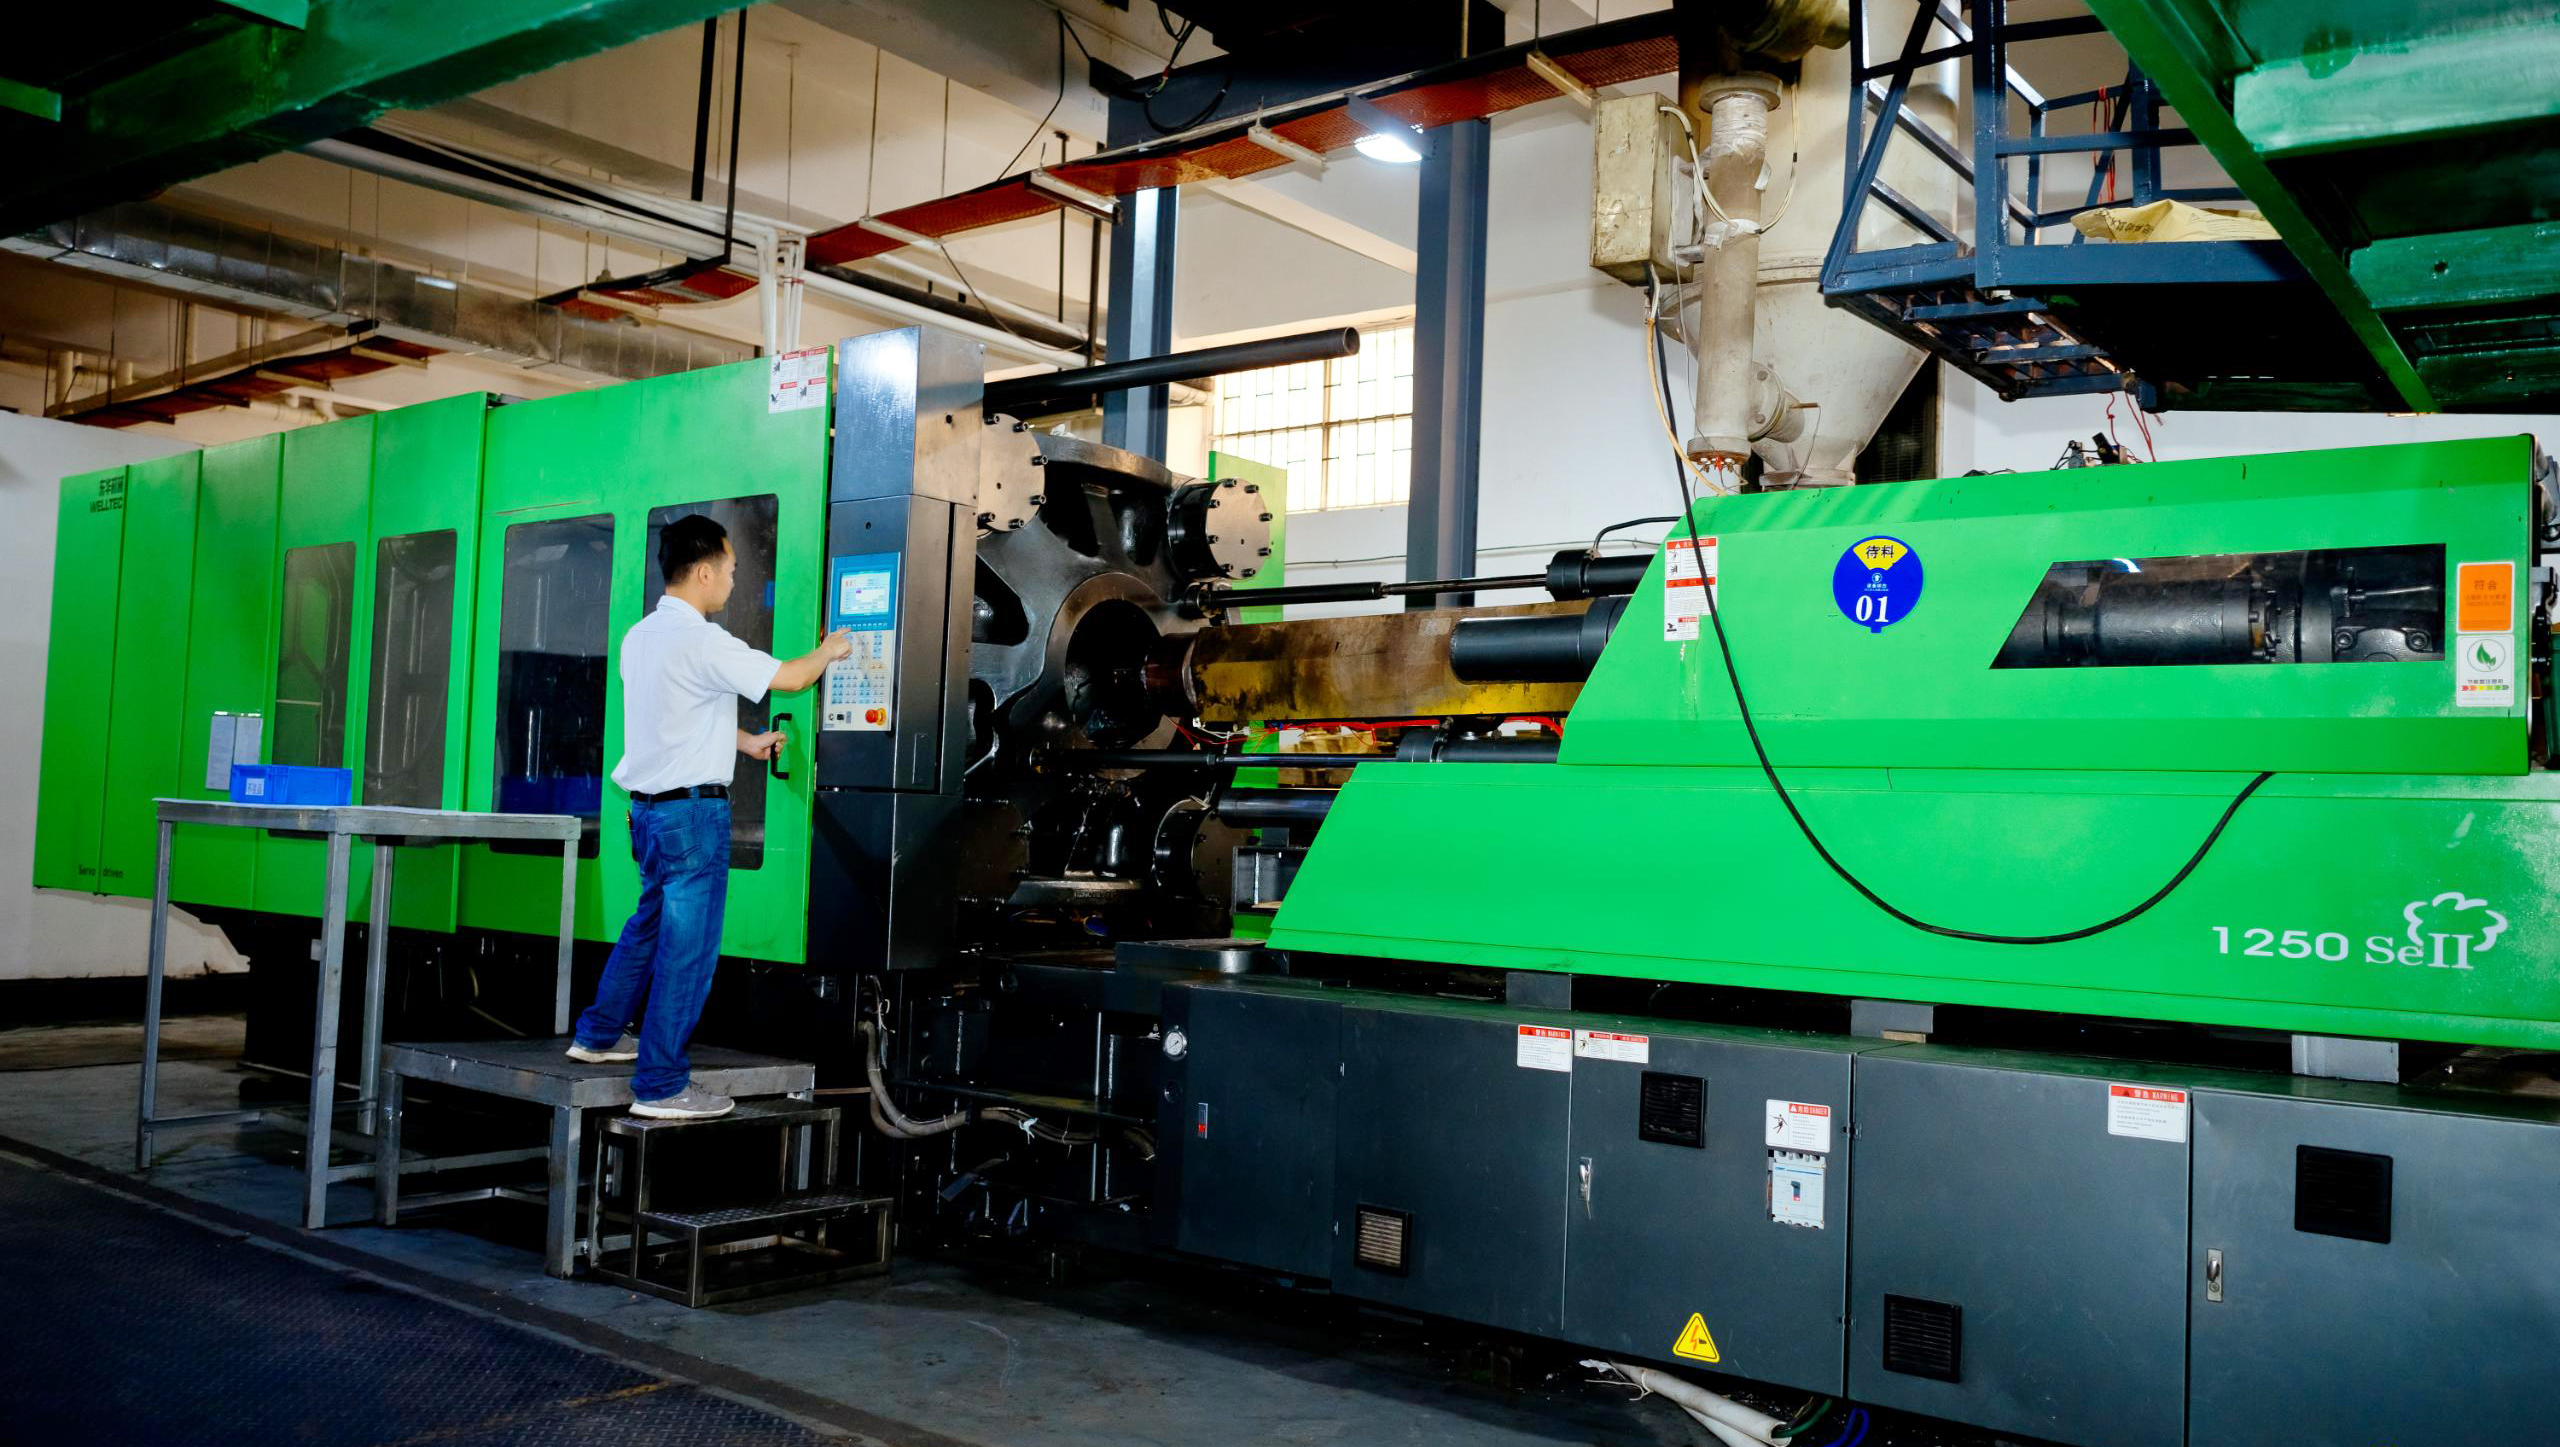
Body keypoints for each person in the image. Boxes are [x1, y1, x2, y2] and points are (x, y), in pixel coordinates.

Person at [566, 513, 850, 1119]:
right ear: (702, 571)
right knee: (687, 952)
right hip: (693, 820)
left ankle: (598, 1035)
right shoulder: (704, 639)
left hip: (648, 816)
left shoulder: (641, 636)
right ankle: (661, 1085)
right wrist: (831, 649)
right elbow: (791, 679)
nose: (733, 579)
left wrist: (746, 743)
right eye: (731, 568)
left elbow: (676, 713)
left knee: (647, 926)